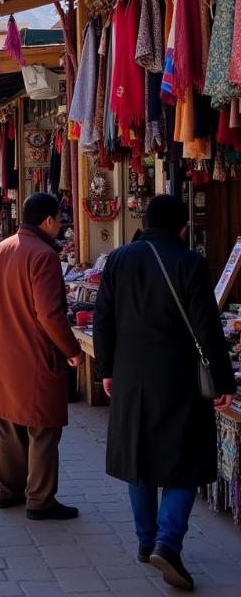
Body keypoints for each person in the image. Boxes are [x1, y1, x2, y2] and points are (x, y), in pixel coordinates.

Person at [93, 194, 235, 589]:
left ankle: (145, 542)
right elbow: (207, 328)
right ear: (183, 228)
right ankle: (167, 542)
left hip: (130, 375)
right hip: (179, 376)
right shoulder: (189, 263)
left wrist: (105, 369)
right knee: (184, 459)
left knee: (138, 459)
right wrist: (223, 382)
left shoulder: (119, 259)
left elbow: (103, 317)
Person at [0, 193, 84, 520]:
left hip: (5, 355)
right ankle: (40, 499)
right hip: (37, 354)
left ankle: (7, 491)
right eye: (60, 220)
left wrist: (5, 330)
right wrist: (73, 350)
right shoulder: (44, 255)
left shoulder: (2, 249)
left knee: (9, 424)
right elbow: (50, 314)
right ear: (48, 220)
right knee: (43, 428)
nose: (61, 225)